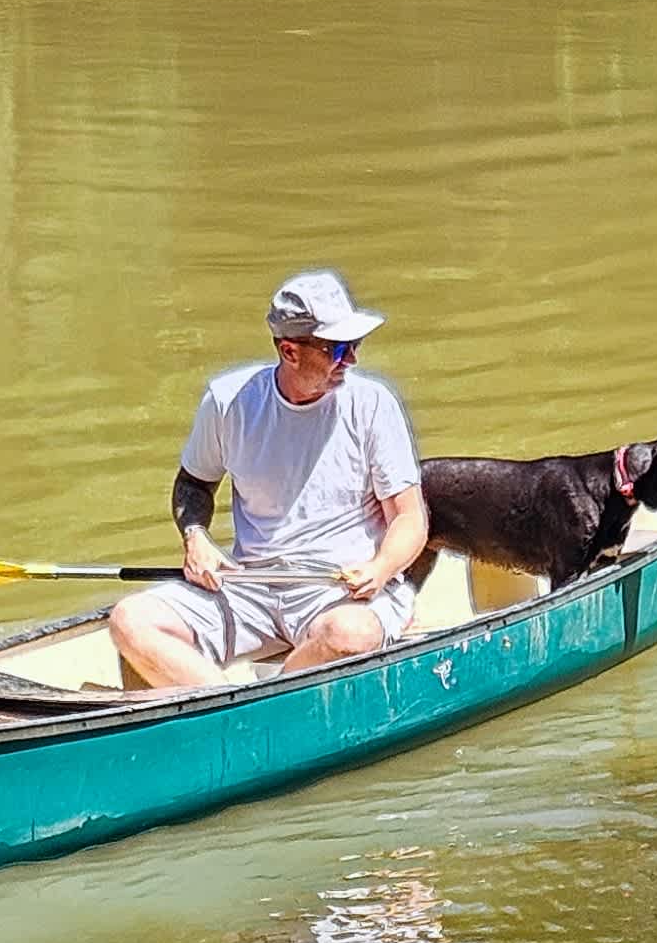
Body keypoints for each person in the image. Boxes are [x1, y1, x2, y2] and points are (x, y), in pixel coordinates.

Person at [109, 270, 430, 690]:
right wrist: (196, 538)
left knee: (351, 636)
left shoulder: (372, 404)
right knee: (129, 621)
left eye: (355, 345)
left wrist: (381, 567)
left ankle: (255, 705)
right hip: (250, 586)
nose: (351, 359)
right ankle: (232, 706)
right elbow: (193, 485)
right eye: (337, 349)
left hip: (340, 592)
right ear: (290, 351)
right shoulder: (228, 401)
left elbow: (410, 519)